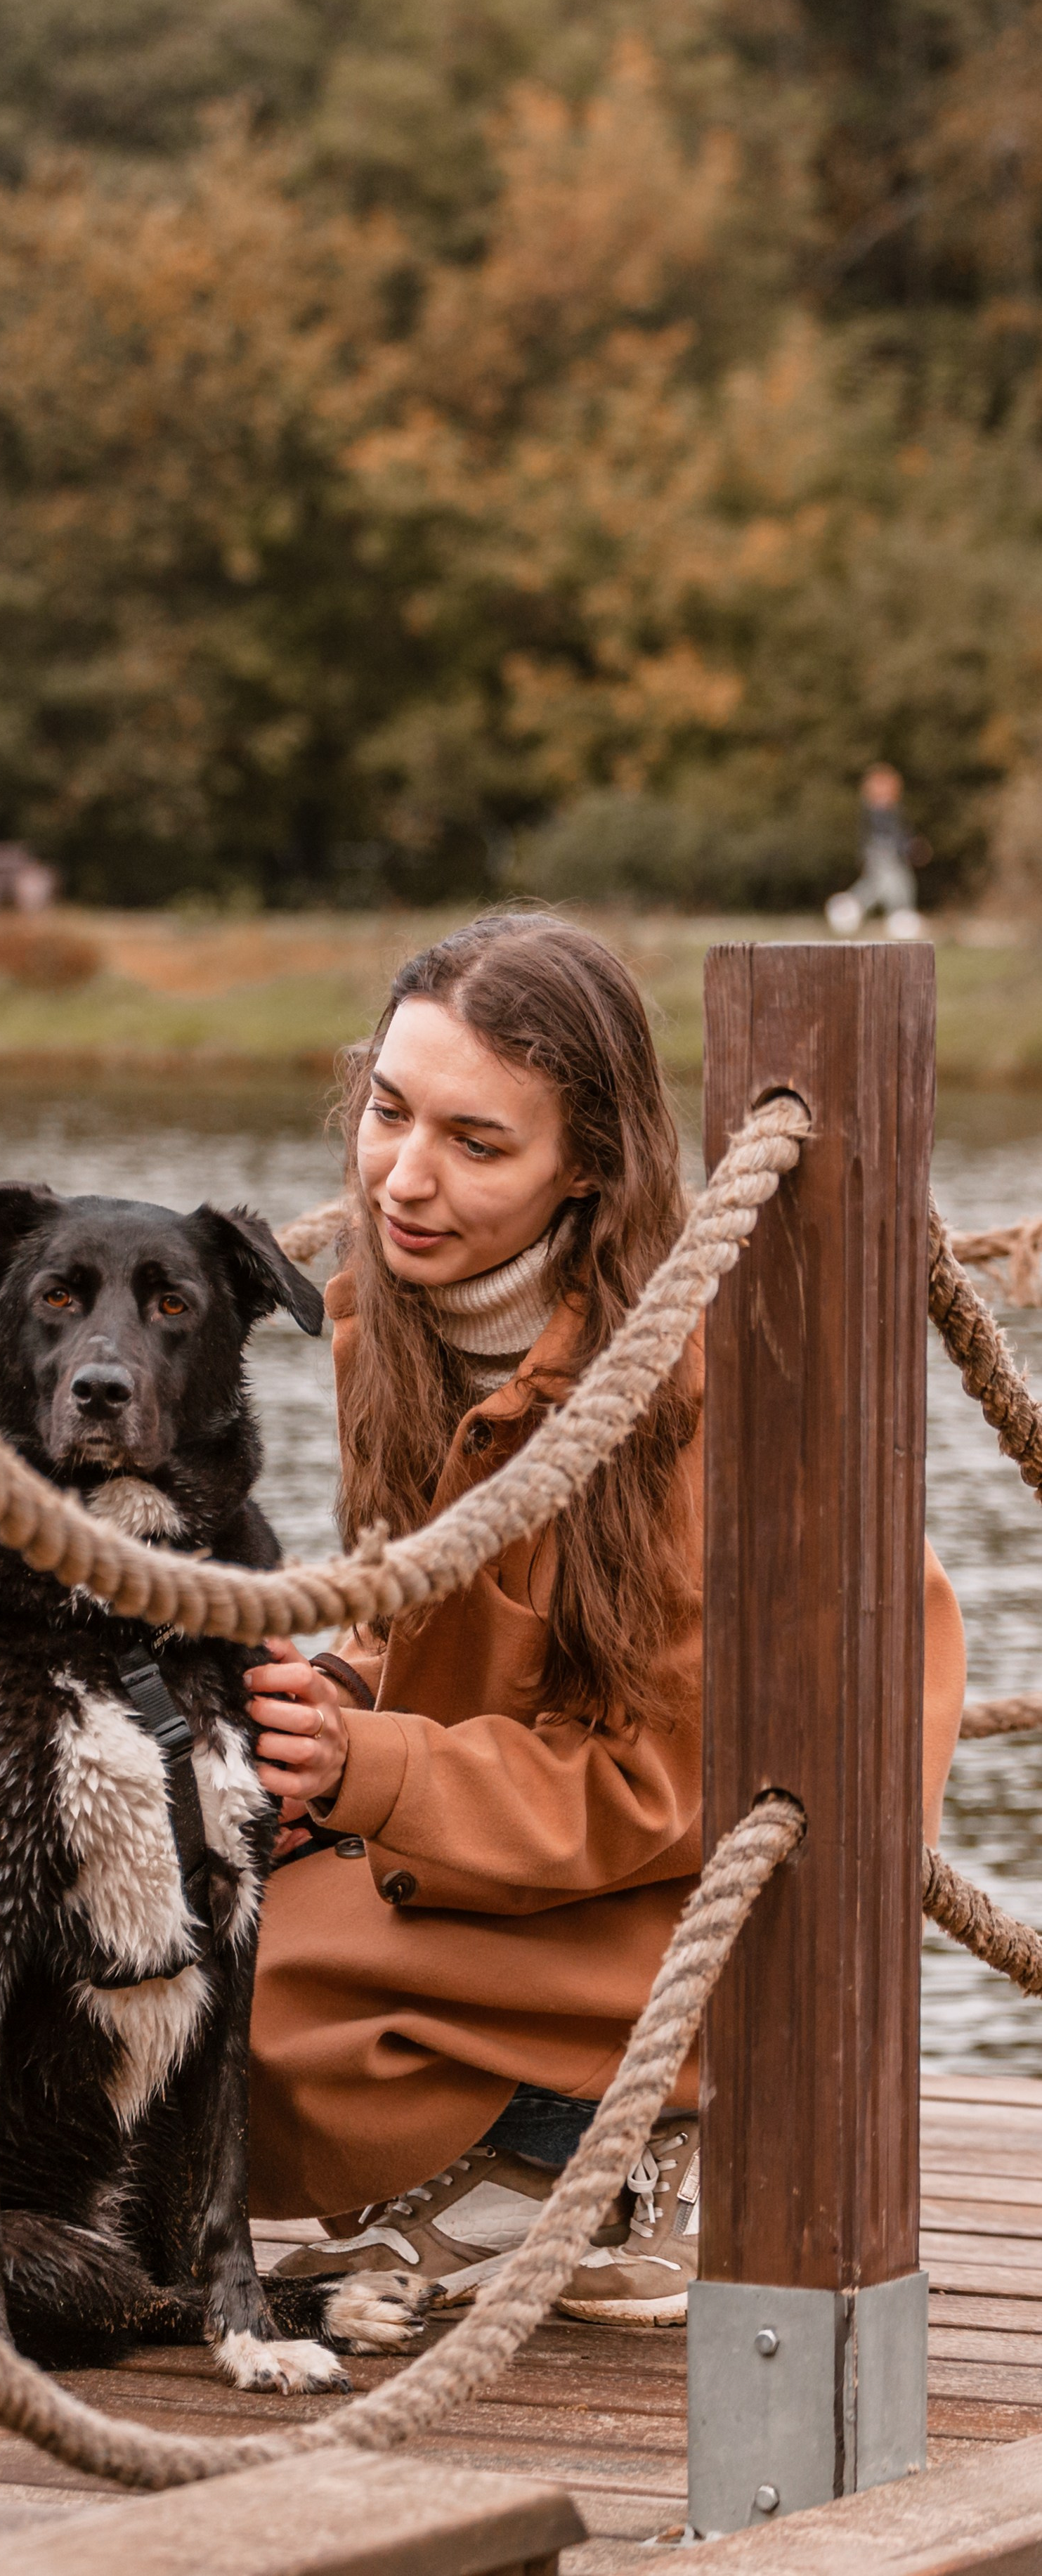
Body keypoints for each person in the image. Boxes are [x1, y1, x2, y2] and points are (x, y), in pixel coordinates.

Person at [243, 913, 964, 2324]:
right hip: (512, 1826)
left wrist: (364, 1769)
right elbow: (431, 1615)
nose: (400, 1175)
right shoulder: (390, 1323)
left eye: (474, 1140)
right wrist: (309, 1702)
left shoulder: (698, 1389)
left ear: (586, 1160)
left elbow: (670, 1780)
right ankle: (516, 2140)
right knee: (154, 1957)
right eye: (386, 1110)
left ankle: (586, 2151)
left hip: (734, 1858)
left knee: (254, 2013)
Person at [826, 765, 927, 938]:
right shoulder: (877, 812)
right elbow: (888, 837)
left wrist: (910, 846)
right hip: (882, 856)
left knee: (887, 886)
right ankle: (896, 916)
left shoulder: (892, 810)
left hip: (891, 857)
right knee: (889, 886)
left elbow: (901, 835)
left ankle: (893, 915)